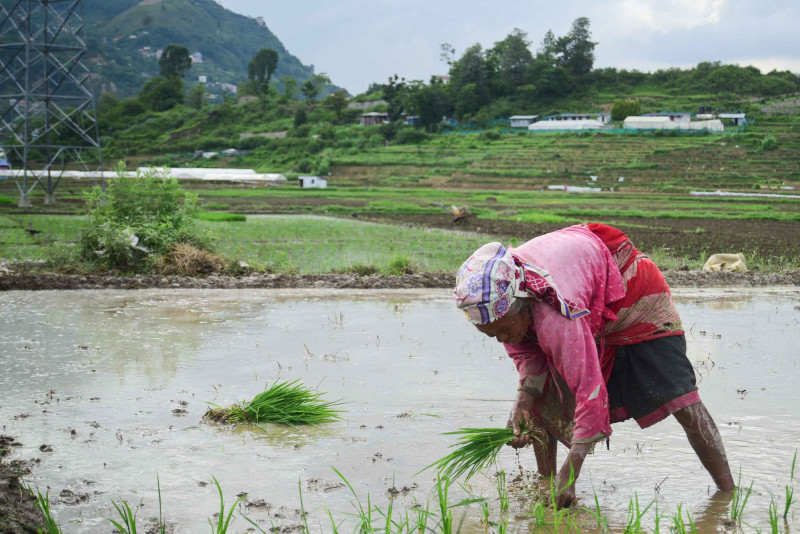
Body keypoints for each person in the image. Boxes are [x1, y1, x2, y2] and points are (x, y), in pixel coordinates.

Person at [453, 223, 734, 508]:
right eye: (493, 335)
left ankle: (727, 496)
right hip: (583, 292)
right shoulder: (503, 308)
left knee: (680, 397)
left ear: (522, 304)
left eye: (504, 330)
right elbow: (528, 358)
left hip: (630, 291)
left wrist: (571, 473)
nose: (502, 339)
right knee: (541, 395)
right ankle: (546, 487)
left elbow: (589, 392)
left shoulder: (555, 316)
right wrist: (524, 397)